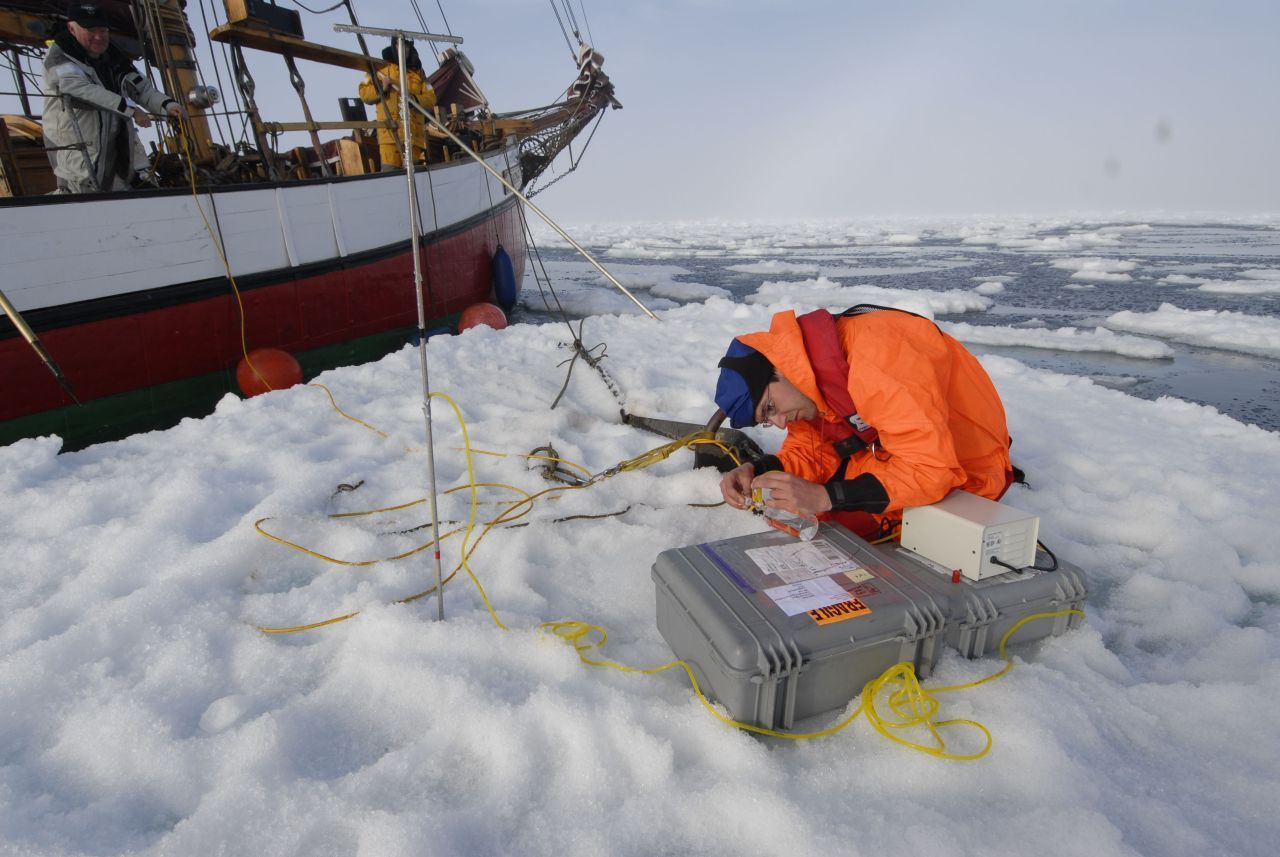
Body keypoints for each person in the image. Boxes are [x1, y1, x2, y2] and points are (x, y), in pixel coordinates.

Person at [715, 306, 1014, 539]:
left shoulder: (879, 362)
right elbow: (813, 445)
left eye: (769, 408)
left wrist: (827, 497)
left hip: (963, 471)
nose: (780, 422)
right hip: (896, 454)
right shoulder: (809, 374)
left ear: (777, 368)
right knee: (794, 514)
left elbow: (932, 470)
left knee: (837, 535)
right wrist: (761, 471)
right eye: (767, 420)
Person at [42, 4, 184, 193]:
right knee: (85, 204)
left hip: (118, 151)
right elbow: (81, 89)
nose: (99, 36)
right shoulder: (59, 58)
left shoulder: (114, 57)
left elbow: (141, 88)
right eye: (90, 30)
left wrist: (167, 105)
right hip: (80, 158)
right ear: (71, 28)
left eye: (103, 30)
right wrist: (131, 110)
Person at [358, 42, 436, 170]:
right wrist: (381, 87)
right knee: (390, 175)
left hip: (413, 137)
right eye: (399, 47)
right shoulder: (378, 68)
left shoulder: (419, 73)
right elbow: (364, 93)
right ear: (393, 47)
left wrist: (414, 99)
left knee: (412, 176)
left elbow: (431, 98)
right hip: (389, 136)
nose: (403, 50)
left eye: (406, 47)